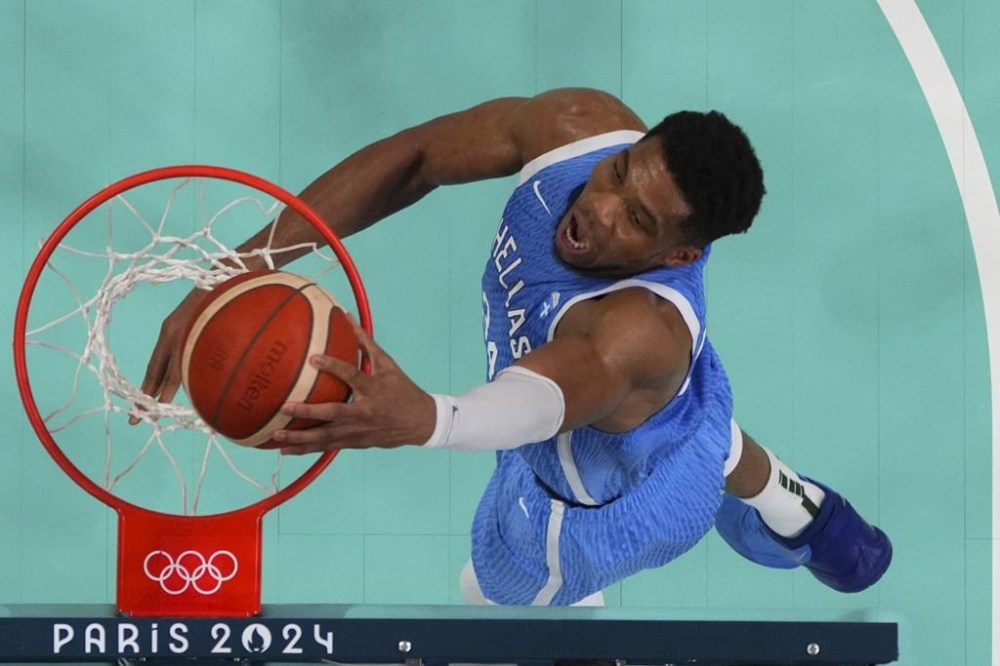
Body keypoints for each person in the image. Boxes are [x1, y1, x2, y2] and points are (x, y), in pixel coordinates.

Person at [138, 88, 891, 606]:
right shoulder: (579, 126)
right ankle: (806, 513)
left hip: (593, 506)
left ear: (676, 258)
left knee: (494, 592)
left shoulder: (637, 333)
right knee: (688, 424)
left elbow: (540, 401)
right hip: (657, 408)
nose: (594, 210)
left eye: (635, 218)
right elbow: (418, 156)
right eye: (619, 173)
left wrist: (428, 419)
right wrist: (235, 270)